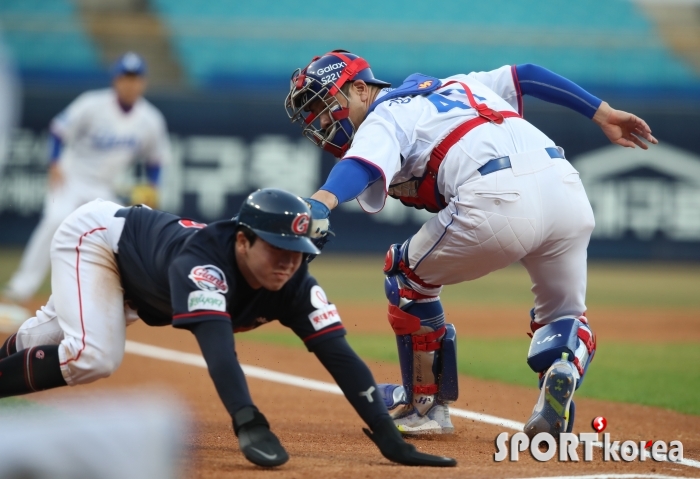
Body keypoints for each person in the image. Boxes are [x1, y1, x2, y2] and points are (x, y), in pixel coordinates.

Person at [285, 50, 657, 437]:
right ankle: (562, 365)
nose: (323, 120)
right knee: (564, 314)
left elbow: (359, 166)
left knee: (405, 274)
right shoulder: (460, 83)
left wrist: (319, 203)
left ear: (361, 89)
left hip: (498, 195)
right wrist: (603, 112)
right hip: (566, 186)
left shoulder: (385, 113)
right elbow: (526, 74)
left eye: (326, 105)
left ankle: (424, 407)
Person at [0, 188, 456, 468]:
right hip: (101, 243)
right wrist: (248, 421)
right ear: (243, 240)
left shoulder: (294, 281)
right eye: (277, 249)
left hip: (140, 282)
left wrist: (385, 433)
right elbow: (219, 351)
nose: (288, 262)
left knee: (41, 344)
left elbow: (338, 354)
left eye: (297, 251)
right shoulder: (204, 264)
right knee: (93, 356)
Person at [0, 52, 169, 331]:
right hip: (71, 178)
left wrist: (152, 186)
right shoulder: (92, 103)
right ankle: (20, 288)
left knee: (119, 234)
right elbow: (58, 130)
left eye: (135, 78)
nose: (129, 84)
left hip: (103, 187)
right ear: (116, 79)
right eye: (125, 77)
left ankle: (113, 299)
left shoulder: (150, 119)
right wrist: (54, 162)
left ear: (143, 83)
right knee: (54, 221)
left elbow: (156, 160)